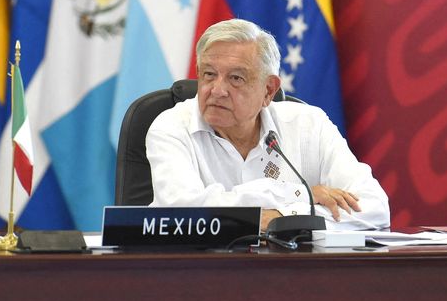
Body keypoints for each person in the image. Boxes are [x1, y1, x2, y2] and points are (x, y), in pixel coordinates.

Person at [146, 18, 390, 230]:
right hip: (200, 277)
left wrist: (281, 219)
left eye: (236, 78)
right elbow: (182, 213)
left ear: (269, 90)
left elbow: (373, 208)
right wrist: (300, 195)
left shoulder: (310, 126)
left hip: (294, 276)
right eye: (209, 74)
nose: (217, 90)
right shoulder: (171, 127)